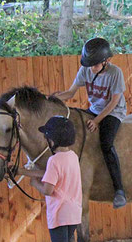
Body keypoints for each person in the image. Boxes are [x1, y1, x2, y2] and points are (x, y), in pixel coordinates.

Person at [16, 116, 103, 242]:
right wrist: (23, 171)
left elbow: (47, 188)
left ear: (52, 140)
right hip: (73, 212)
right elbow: (49, 173)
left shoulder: (54, 161)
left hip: (59, 213)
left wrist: (34, 184)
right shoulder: (71, 156)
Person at [54, 37, 127, 209]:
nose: (92, 68)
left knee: (106, 143)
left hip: (113, 112)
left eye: (95, 65)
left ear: (106, 61)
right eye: (90, 65)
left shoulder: (115, 73)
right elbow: (70, 93)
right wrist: (53, 98)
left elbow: (114, 102)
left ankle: (119, 190)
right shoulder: (86, 70)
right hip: (94, 109)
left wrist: (96, 121)